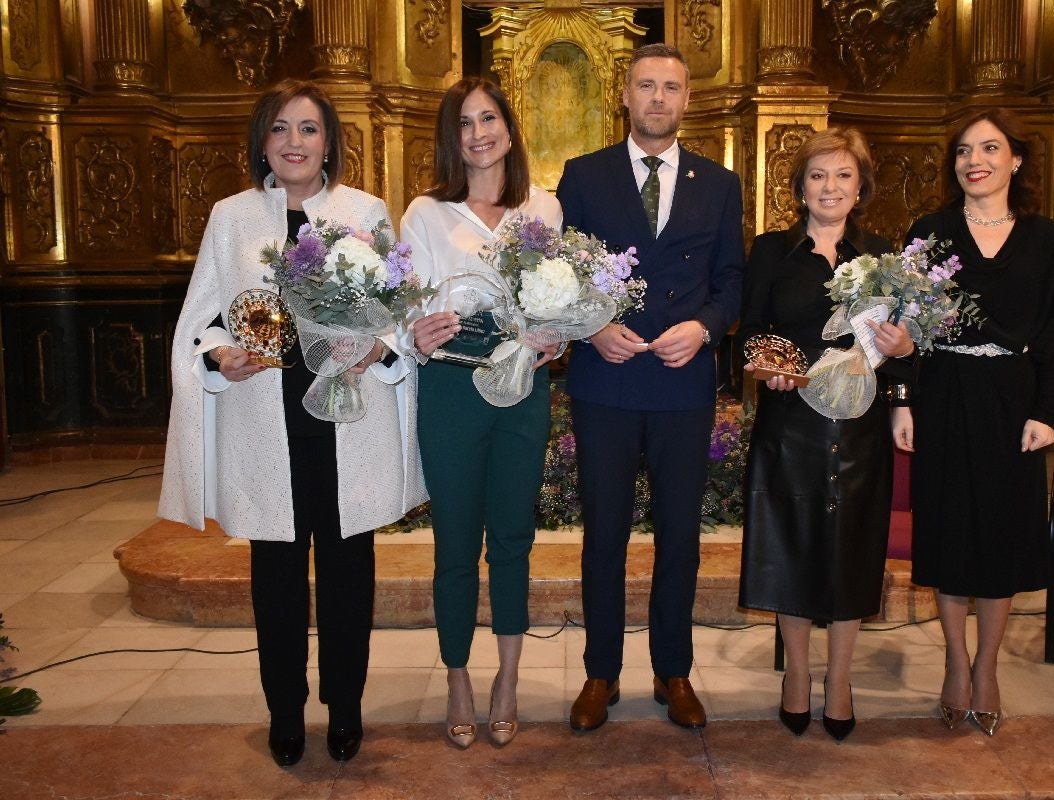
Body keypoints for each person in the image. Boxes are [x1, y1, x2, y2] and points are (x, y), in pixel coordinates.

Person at [158, 79, 426, 766]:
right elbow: (203, 319)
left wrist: (378, 347)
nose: (294, 143)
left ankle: (345, 706)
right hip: (265, 421)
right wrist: (221, 355)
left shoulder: (365, 212)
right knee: (275, 577)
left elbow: (398, 313)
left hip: (347, 418)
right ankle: (284, 708)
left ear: (329, 141)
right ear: (262, 142)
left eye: (308, 129)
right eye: (280, 129)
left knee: (347, 573)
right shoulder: (232, 217)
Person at [558, 43, 743, 731]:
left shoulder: (719, 184)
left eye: (671, 87)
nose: (658, 98)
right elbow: (561, 277)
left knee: (680, 537)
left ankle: (674, 673)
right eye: (646, 85)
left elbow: (732, 281)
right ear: (625, 96)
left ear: (687, 99)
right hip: (604, 379)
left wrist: (705, 328)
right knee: (603, 534)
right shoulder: (582, 177)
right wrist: (591, 325)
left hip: (681, 382)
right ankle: (600, 675)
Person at [892, 108, 1054, 736]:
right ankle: (955, 662)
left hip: (1013, 401)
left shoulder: (1045, 237)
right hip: (944, 392)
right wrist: (902, 400)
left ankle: (988, 668)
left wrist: (1048, 412)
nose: (975, 161)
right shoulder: (931, 230)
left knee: (1001, 533)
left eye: (989, 148)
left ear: (1015, 160)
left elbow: (1053, 330)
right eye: (965, 150)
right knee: (949, 531)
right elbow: (902, 327)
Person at [736, 128, 915, 741]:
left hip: (859, 422)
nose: (830, 187)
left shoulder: (886, 257)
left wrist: (903, 350)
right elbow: (753, 330)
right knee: (792, 544)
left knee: (853, 548)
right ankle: (795, 678)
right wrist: (768, 368)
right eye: (817, 175)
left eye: (842, 175)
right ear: (799, 187)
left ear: (860, 186)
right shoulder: (769, 252)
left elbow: (904, 348)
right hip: (792, 420)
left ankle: (839, 683)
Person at [398, 78, 562, 749]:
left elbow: (564, 293)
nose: (477, 134)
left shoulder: (542, 207)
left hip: (523, 383)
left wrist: (559, 333)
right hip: (451, 388)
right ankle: (460, 675)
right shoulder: (424, 213)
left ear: (509, 127)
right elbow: (403, 296)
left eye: (488, 118)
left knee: (514, 538)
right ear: (450, 137)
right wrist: (417, 329)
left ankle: (509, 677)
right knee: (457, 542)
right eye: (463, 123)